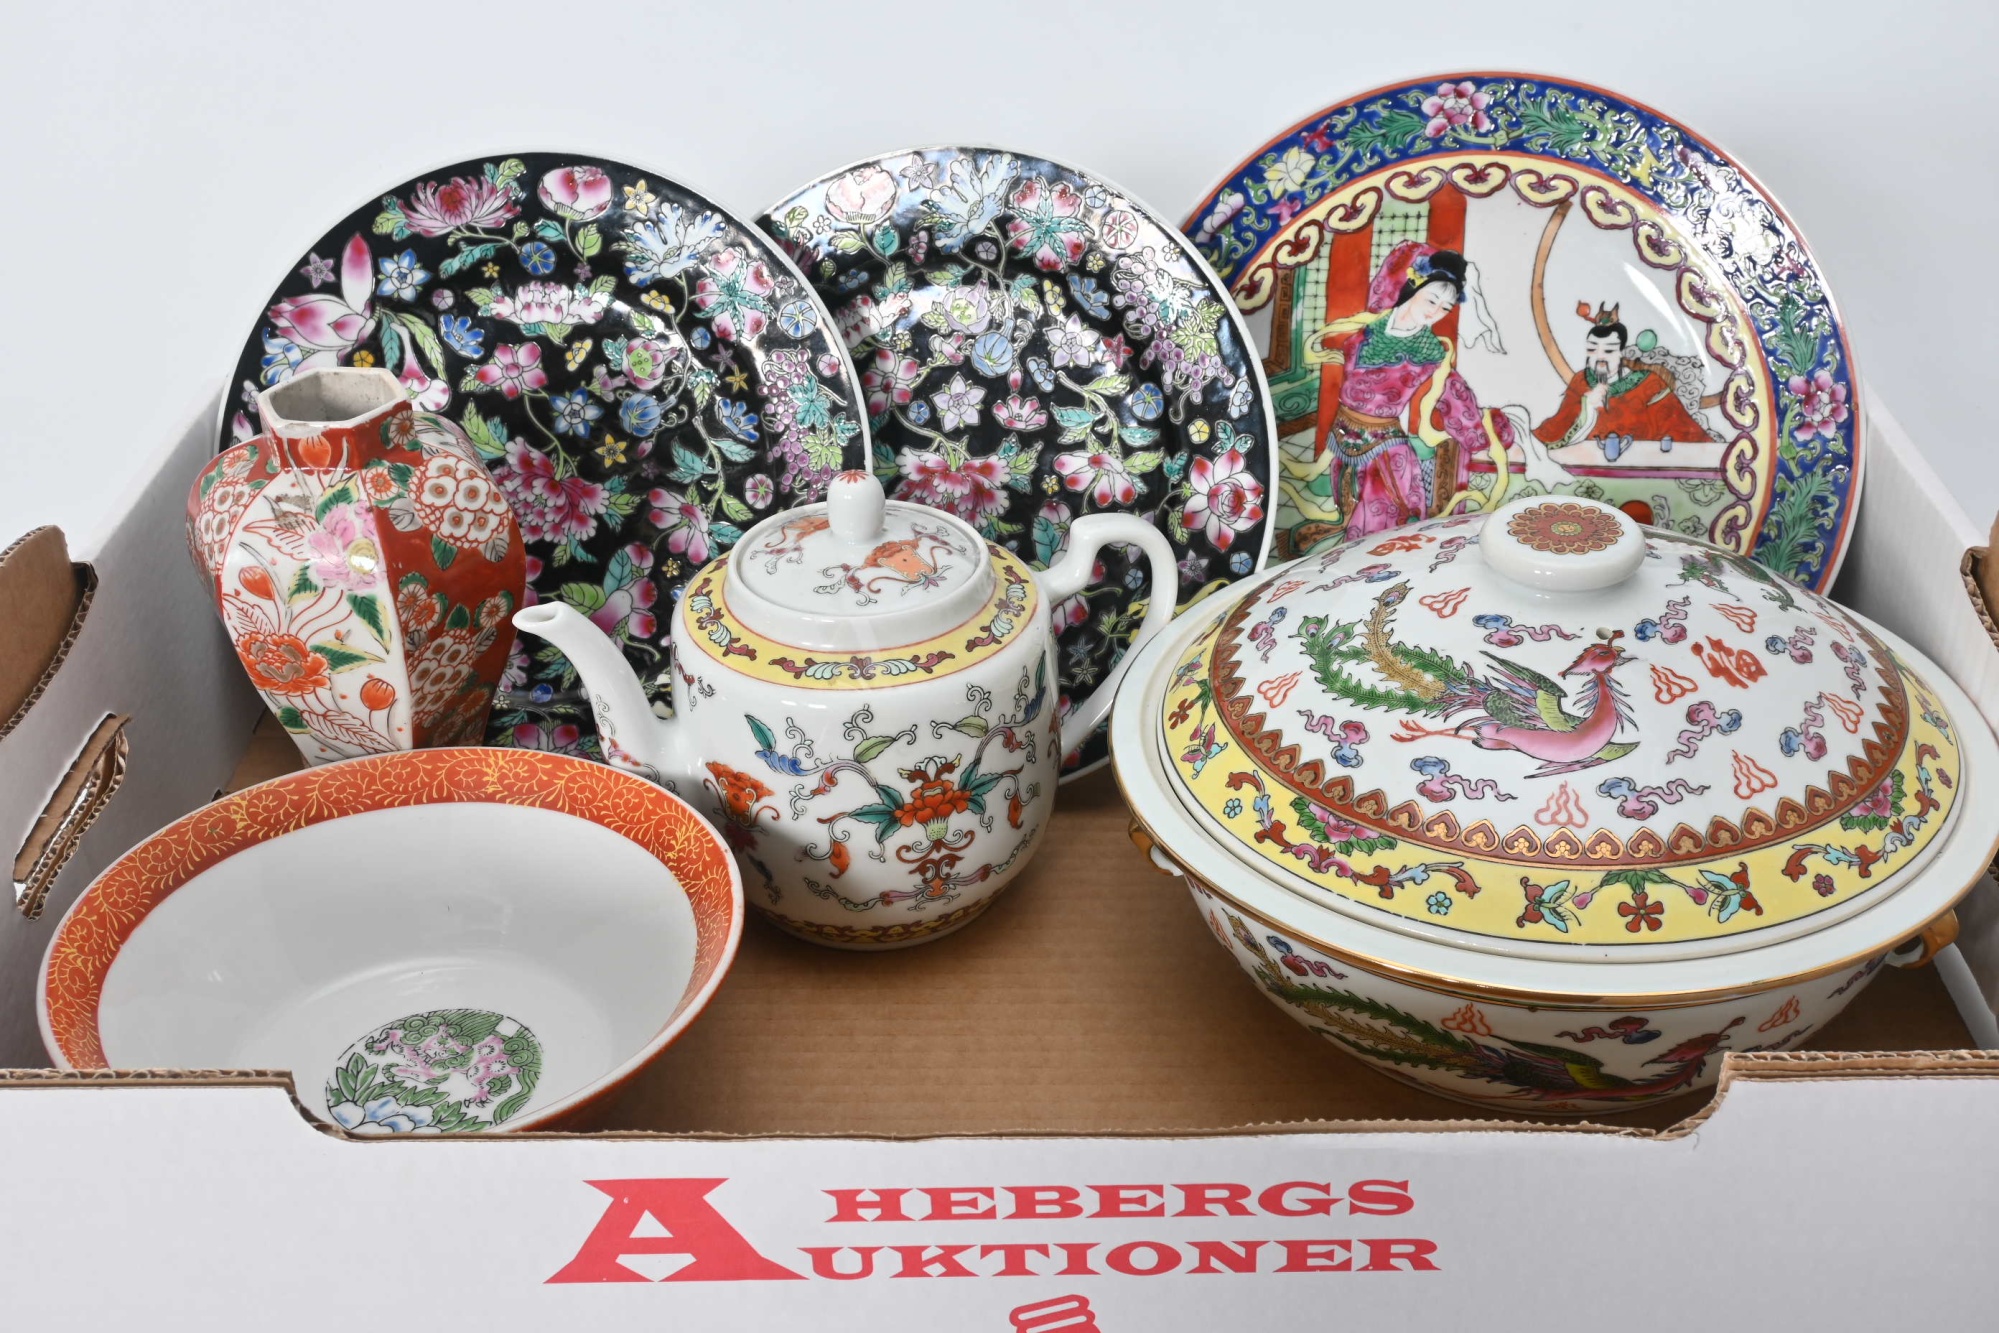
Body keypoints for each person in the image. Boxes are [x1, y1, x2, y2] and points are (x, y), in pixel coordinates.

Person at [1291, 244, 1517, 548]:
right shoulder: (1370, 325)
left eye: (1445, 308)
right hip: (1344, 439)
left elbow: (1455, 397)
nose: (1435, 312)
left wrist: (1482, 439)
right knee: (1347, 516)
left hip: (1386, 454)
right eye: (1432, 300)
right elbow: (1393, 269)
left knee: (1376, 534)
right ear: (1413, 288)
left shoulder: (1430, 351)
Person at [1532, 303, 1711, 452]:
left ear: (1621, 352)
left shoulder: (1649, 383)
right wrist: (1588, 406)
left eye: (1609, 350)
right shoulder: (1581, 381)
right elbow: (1557, 428)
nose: (1600, 356)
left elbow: (1680, 428)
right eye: (1592, 349)